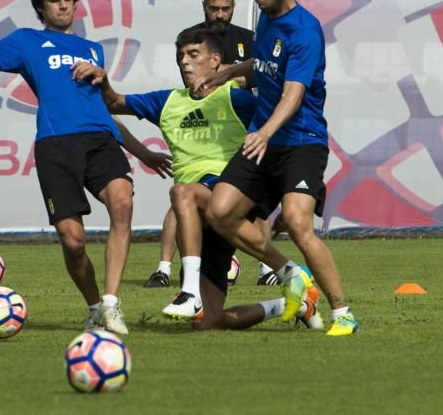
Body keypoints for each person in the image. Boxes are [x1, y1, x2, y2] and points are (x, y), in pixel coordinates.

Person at [0, 0, 162, 335]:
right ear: (41, 7)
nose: (62, 5)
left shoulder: (93, 50)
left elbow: (104, 108)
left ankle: (111, 302)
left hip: (100, 140)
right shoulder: (26, 41)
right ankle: (93, 306)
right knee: (73, 242)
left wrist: (143, 152)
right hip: (56, 145)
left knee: (122, 202)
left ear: (77, 3)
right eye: (54, 0)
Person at [74, 27, 320, 328]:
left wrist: (299, 190)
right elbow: (113, 103)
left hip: (228, 199)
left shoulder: (238, 99)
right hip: (200, 224)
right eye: (181, 56)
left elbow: (286, 132)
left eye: (193, 55)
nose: (185, 62)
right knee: (210, 322)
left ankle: (190, 291)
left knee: (182, 193)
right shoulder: (167, 101)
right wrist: (103, 79)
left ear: (215, 61)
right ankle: (296, 306)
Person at [194, 0, 360, 337]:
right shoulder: (267, 20)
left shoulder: (305, 30)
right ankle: (292, 275)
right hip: (264, 141)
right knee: (219, 212)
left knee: (299, 223)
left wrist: (266, 131)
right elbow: (264, 63)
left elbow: (293, 92)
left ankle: (344, 314)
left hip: (301, 142)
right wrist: (224, 74)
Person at [144, 0, 279, 288]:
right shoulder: (194, 39)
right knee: (182, 195)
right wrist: (229, 75)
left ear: (233, 6)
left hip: (238, 124)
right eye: (213, 8)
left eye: (225, 8)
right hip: (203, 123)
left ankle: (267, 268)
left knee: (253, 200)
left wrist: (229, 75)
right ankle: (163, 268)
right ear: (203, 6)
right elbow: (194, 79)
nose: (220, 14)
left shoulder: (249, 38)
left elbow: (260, 75)